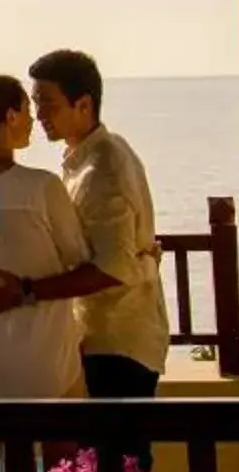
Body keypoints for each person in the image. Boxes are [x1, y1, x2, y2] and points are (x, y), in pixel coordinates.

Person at [30, 48, 170, 406]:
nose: (39, 114)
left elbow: (113, 267)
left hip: (118, 339)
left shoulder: (103, 168)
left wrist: (29, 290)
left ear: (84, 105)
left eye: (49, 104)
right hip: (104, 336)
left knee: (120, 458)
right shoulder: (91, 156)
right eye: (35, 102)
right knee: (110, 458)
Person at [0, 74, 89, 399]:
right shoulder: (42, 187)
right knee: (64, 450)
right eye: (26, 110)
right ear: (10, 116)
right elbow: (79, 260)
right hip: (43, 354)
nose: (33, 119)